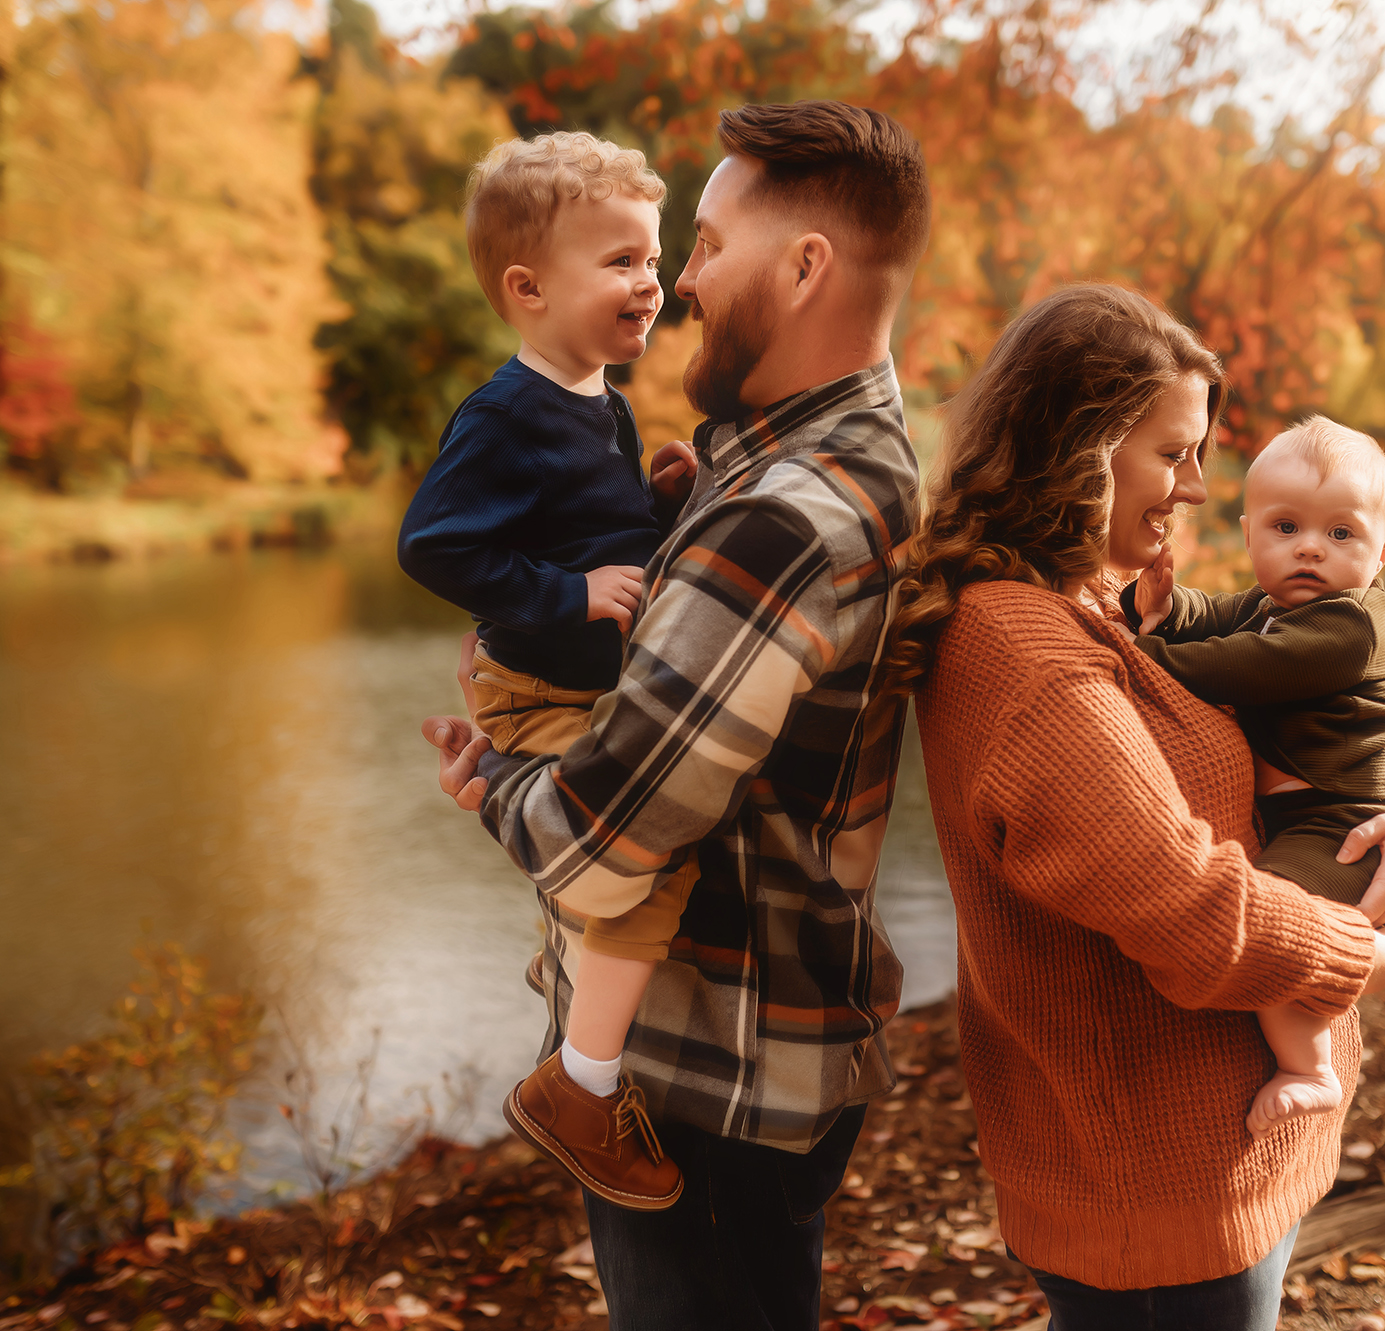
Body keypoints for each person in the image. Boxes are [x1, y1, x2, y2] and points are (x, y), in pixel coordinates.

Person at [423, 101, 931, 1329]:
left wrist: (490, 779)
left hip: (707, 1081)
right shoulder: (817, 456)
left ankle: (572, 1081)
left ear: (804, 265)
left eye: (700, 244)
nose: (680, 280)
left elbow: (602, 840)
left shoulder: (783, 512)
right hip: (760, 1052)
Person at [881, 284, 1385, 1329]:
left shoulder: (1096, 601)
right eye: (1172, 452)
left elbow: (1317, 729)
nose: (1195, 489)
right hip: (1151, 1181)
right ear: (1080, 446)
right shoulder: (1032, 655)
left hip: (1214, 1158)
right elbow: (1193, 910)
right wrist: (1367, 954)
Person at [396, 132, 703, 1211]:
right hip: (543, 685)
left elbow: (593, 530)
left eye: (651, 255)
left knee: (624, 855)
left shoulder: (601, 401)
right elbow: (434, 545)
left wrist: (659, 499)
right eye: (618, 259)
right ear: (526, 289)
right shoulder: (505, 414)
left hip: (576, 686)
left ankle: (485, 773)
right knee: (642, 852)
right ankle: (580, 1083)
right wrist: (560, 599)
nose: (649, 278)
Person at [1122, 415, 1385, 1139]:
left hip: (1342, 821)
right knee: (1276, 916)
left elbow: (1238, 664)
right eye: (1286, 527)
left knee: (1277, 922)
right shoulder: (1271, 605)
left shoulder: (1347, 626)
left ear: (1381, 555)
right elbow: (1217, 621)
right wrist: (1164, 608)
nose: (1310, 547)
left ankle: (1310, 1068)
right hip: (1309, 813)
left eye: (1341, 534)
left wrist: (1137, 659)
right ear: (1251, 534)